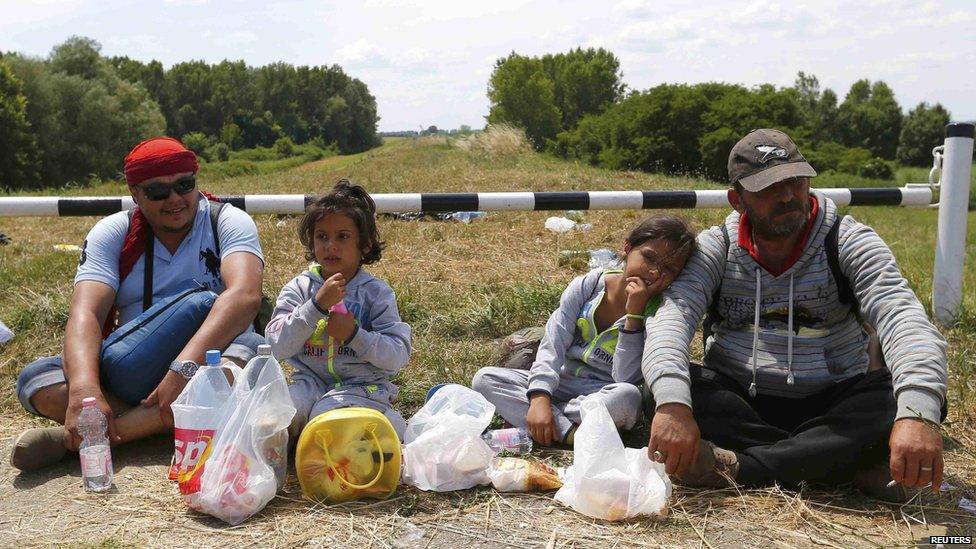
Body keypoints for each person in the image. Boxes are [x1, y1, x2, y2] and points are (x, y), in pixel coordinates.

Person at [641, 129, 947, 499]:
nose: (787, 195)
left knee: (898, 402)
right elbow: (671, 319)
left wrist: (917, 415)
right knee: (658, 393)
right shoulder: (716, 247)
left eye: (796, 180)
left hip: (834, 399)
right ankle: (835, 462)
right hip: (743, 401)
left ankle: (741, 468)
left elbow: (903, 318)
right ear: (737, 200)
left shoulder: (848, 240)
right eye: (769, 187)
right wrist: (674, 405)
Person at [12, 137, 265, 471]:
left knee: (247, 352)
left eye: (185, 185)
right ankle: (169, 418)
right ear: (135, 195)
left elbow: (245, 296)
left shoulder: (227, 222)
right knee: (36, 380)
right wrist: (85, 392)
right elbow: (86, 312)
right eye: (158, 192)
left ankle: (87, 439)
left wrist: (183, 369)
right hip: (135, 369)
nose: (175, 199)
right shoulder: (113, 232)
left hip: (207, 365)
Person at [472, 215, 697, 446]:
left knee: (628, 397)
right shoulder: (588, 286)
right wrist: (540, 397)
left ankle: (545, 425)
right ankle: (570, 433)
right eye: (649, 257)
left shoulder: (658, 314)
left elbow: (624, 378)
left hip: (598, 394)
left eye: (668, 269)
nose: (654, 272)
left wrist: (634, 316)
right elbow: (553, 343)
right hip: (560, 381)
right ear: (628, 248)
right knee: (485, 379)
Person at [266, 180, 411, 441]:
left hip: (363, 387)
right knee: (278, 415)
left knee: (326, 418)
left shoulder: (376, 293)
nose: (330, 245)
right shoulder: (299, 289)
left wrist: (355, 334)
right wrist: (314, 308)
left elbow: (397, 355)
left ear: (365, 244)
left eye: (342, 237)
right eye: (322, 236)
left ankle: (386, 426)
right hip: (310, 383)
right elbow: (276, 346)